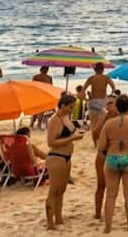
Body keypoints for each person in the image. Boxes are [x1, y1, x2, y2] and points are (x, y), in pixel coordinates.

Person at [97, 94, 128, 232]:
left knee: (111, 195)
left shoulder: (108, 124)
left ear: (117, 108)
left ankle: (108, 227)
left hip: (112, 158)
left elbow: (101, 146)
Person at [44, 92, 84, 230]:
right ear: (62, 105)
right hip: (57, 157)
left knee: (62, 189)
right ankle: (50, 222)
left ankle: (59, 217)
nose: (72, 110)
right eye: (70, 107)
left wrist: (75, 135)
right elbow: (51, 142)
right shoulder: (54, 120)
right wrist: (72, 138)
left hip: (67, 157)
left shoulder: (65, 117)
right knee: (54, 190)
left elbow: (68, 134)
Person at [90, 97, 118, 221]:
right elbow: (95, 135)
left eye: (111, 103)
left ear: (116, 105)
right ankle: (97, 212)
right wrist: (102, 120)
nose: (108, 106)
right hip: (103, 154)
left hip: (116, 154)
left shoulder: (121, 118)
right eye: (106, 104)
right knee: (101, 185)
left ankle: (109, 212)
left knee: (114, 187)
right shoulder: (103, 118)